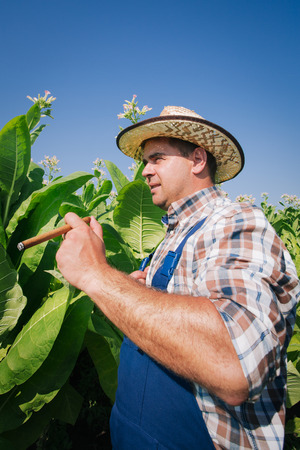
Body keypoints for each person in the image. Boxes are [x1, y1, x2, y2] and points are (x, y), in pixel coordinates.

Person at [56, 106, 299, 449]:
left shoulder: (237, 222)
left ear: (198, 159)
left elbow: (235, 367)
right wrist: (133, 291)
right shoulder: (170, 238)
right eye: (144, 161)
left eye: (156, 158)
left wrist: (96, 274)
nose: (145, 171)